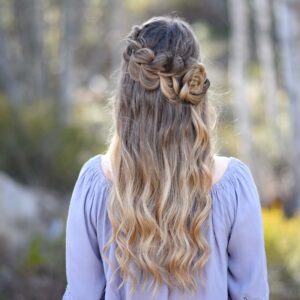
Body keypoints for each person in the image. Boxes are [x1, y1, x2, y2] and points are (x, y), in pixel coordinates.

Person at [62, 15, 269, 300]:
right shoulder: (233, 186)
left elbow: (81, 294)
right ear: (196, 88)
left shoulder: (94, 184)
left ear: (126, 94)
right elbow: (252, 294)